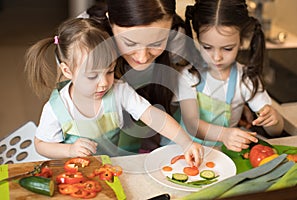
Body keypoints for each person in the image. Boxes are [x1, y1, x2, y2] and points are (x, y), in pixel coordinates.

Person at [24, 17, 203, 166]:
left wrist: (186, 142)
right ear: (67, 71)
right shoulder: (57, 108)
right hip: (75, 173)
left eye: (109, 71)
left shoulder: (119, 91)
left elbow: (153, 116)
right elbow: (41, 145)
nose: (103, 83)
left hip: (110, 166)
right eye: (92, 76)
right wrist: (69, 150)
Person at [85, 0, 258, 153]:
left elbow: (185, 87)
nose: (143, 57)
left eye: (156, 44)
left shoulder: (178, 38)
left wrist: (236, 98)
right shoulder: (83, 39)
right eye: (130, 43)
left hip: (152, 140)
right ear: (109, 20)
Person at [183, 0, 284, 148]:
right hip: (183, 152)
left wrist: (273, 120)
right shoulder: (189, 75)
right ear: (198, 38)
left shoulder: (246, 79)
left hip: (224, 156)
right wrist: (224, 134)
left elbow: (276, 132)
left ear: (241, 41)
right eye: (207, 47)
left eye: (227, 48)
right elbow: (191, 123)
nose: (217, 57)